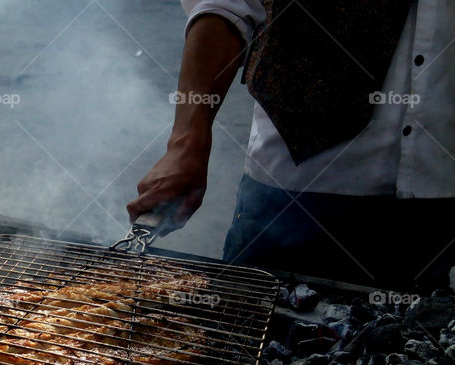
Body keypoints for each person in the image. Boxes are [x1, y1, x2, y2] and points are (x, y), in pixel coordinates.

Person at [126, 0, 455, 291]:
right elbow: (226, 6)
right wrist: (186, 142)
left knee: (416, 344)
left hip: (438, 194)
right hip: (296, 187)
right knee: (243, 335)